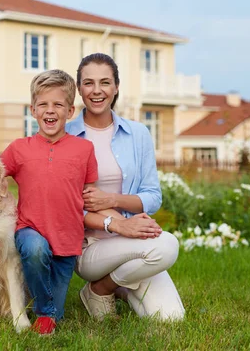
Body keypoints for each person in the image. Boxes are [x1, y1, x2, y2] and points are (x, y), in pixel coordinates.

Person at [65, 53, 185, 321]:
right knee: (166, 244)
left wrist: (112, 199)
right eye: (88, 83)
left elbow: (152, 197)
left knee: (170, 318)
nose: (97, 91)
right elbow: (63, 206)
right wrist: (114, 223)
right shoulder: (66, 135)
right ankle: (101, 285)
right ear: (79, 89)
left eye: (105, 82)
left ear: (116, 87)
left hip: (134, 238)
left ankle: (105, 288)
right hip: (91, 245)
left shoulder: (138, 133)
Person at [0, 70, 98, 335]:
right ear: (33, 110)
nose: (50, 110)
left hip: (68, 240)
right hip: (29, 230)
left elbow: (90, 194)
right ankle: (43, 313)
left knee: (58, 311)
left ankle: (42, 306)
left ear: (71, 110)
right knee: (35, 251)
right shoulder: (19, 148)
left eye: (58, 104)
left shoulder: (84, 150)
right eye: (43, 104)